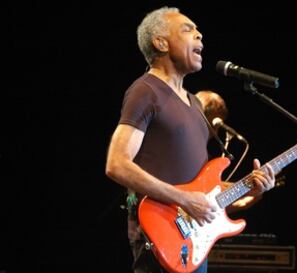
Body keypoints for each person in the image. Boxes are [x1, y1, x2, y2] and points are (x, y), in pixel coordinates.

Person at [105, 6, 277, 273]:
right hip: (159, 234)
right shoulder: (145, 91)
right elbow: (116, 164)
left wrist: (252, 192)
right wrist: (183, 200)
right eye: (188, 29)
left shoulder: (195, 103)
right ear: (160, 42)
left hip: (191, 244)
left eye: (198, 30)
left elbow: (205, 195)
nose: (200, 35)